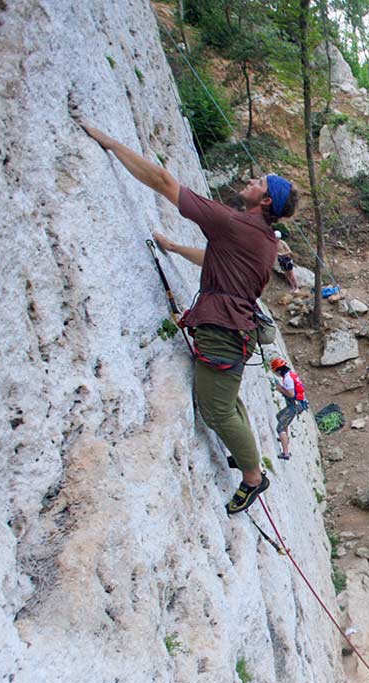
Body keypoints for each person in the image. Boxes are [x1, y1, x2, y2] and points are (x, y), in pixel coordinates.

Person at [78, 120, 298, 515]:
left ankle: (252, 478)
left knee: (216, 409)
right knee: (226, 401)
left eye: (258, 182)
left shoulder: (236, 224)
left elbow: (163, 181)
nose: (250, 180)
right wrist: (175, 249)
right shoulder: (262, 239)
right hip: (235, 325)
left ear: (266, 201)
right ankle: (245, 453)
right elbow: (219, 260)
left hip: (223, 328)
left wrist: (110, 141)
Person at [270, 357, 307, 460]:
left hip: (294, 406)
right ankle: (285, 438)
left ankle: (286, 453)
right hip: (297, 403)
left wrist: (280, 389)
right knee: (279, 416)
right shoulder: (291, 374)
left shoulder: (287, 379)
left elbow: (290, 394)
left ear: (278, 370)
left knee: (280, 428)